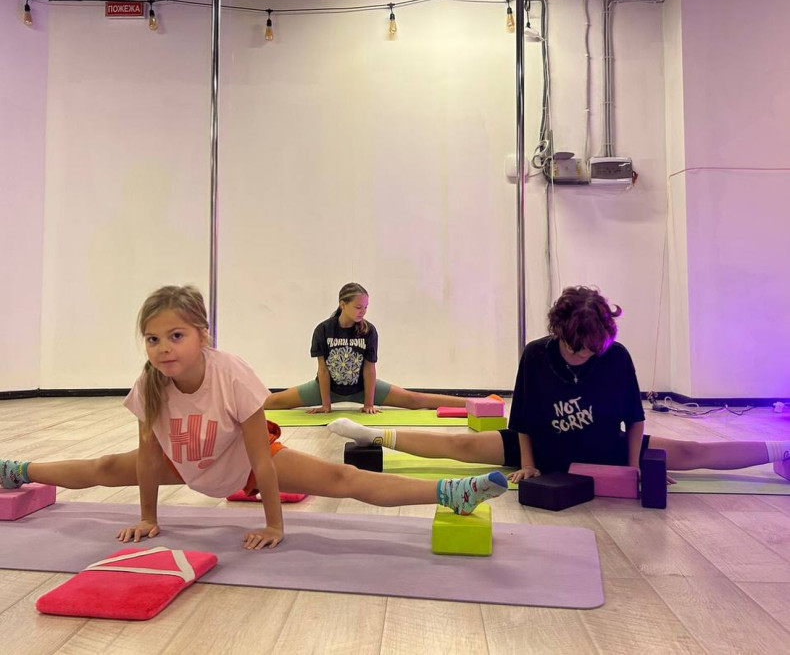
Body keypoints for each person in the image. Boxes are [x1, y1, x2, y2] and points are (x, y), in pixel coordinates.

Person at [0, 286, 508, 550]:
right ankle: (18, 470)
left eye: (176, 336)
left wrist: (273, 524)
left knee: (341, 478)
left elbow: (262, 458)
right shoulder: (149, 384)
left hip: (242, 462)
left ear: (202, 335)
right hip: (184, 461)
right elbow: (149, 457)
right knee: (104, 467)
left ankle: (449, 492)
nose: (162, 348)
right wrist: (149, 518)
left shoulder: (233, 374)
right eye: (153, 339)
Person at [326, 286, 790, 483]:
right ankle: (372, 434)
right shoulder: (536, 354)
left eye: (593, 349)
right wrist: (528, 465)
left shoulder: (616, 356)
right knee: (459, 445)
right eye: (577, 348)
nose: (586, 356)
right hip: (540, 448)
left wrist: (632, 470)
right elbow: (524, 418)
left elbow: (634, 420)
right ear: (560, 333)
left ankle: (779, 451)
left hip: (603, 449)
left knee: (690, 452)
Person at [264, 282, 476, 414]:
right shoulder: (323, 330)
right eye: (358, 307)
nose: (362, 311)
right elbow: (323, 369)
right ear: (342, 304)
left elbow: (369, 369)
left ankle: (476, 403)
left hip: (362, 388)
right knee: (272, 402)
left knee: (415, 400)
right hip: (327, 389)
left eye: (365, 307)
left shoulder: (368, 330)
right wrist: (326, 404)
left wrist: (369, 403)